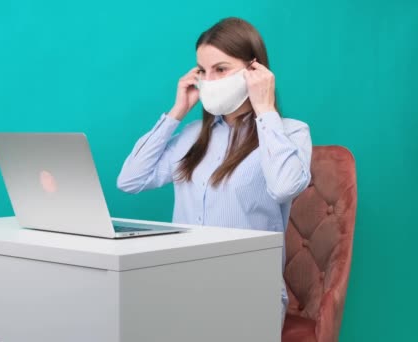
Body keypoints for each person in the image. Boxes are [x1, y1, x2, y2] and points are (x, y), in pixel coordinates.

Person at [117, 17, 312, 325]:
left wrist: (265, 109)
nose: (209, 80)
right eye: (203, 71)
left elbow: (285, 187)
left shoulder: (289, 133)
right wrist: (177, 111)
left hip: (249, 290)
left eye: (221, 69)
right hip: (184, 283)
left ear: (255, 70)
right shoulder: (194, 136)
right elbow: (130, 180)